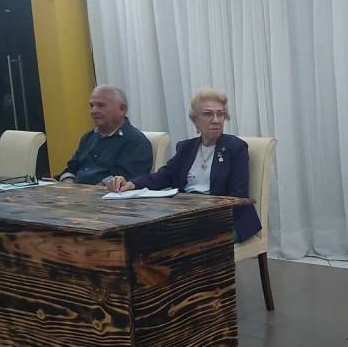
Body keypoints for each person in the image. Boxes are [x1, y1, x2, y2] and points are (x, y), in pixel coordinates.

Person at [106, 88, 261, 242]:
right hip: (188, 216)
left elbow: (237, 195)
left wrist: (200, 212)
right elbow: (164, 176)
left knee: (182, 241)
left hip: (228, 220)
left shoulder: (235, 147)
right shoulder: (186, 148)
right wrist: (132, 184)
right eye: (208, 114)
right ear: (195, 121)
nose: (216, 120)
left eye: (220, 114)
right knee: (145, 234)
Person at [60, 85, 153, 185]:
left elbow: (121, 182)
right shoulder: (88, 137)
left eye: (101, 105)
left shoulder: (136, 142)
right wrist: (67, 185)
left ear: (122, 109)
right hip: (75, 191)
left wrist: (83, 191)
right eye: (91, 106)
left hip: (104, 194)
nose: (93, 111)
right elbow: (71, 168)